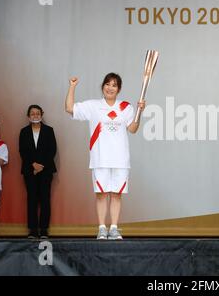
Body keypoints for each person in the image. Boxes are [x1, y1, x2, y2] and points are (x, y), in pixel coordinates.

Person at [65, 73, 145, 240]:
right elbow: (69, 108)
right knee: (101, 194)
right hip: (100, 158)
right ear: (103, 87)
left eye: (114, 85)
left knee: (116, 194)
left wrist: (139, 112)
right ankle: (102, 228)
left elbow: (133, 129)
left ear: (119, 89)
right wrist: (72, 86)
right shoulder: (93, 106)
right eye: (107, 84)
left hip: (120, 159)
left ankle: (114, 228)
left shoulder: (126, 107)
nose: (110, 88)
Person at [19, 105, 57, 239]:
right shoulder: (24, 132)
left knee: (45, 199)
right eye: (32, 113)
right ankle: (33, 230)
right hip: (29, 171)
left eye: (38, 113)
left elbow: (52, 150)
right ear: (28, 116)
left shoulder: (49, 130)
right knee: (32, 199)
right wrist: (33, 165)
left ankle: (44, 230)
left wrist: (41, 166)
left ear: (42, 114)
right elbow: (23, 151)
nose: (35, 115)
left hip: (46, 170)